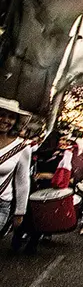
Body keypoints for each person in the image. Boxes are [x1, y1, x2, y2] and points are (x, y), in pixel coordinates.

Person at [0, 99, 30, 242]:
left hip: (1, 204)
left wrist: (20, 212)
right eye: (1, 114)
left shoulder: (21, 147)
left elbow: (22, 180)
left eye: (11, 117)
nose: (5, 120)